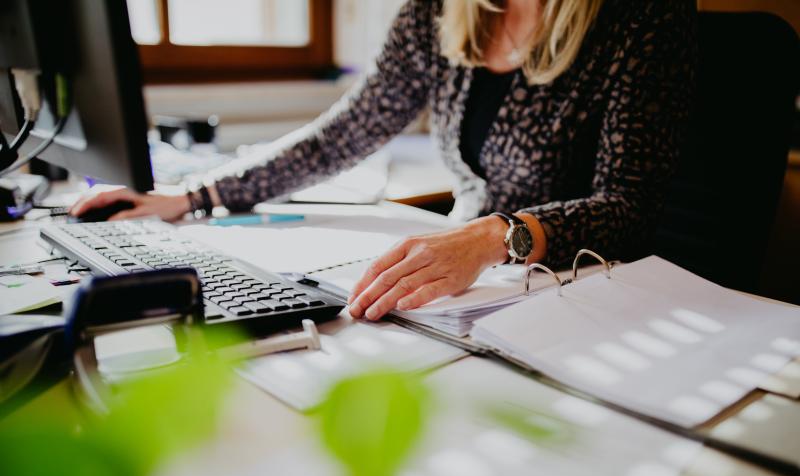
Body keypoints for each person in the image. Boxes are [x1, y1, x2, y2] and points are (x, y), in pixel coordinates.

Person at [71, 0, 696, 321]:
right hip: (468, 292)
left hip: (583, 291)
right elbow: (346, 132)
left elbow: (630, 205)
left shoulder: (639, 15)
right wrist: (193, 196)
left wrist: (492, 237)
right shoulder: (438, 13)